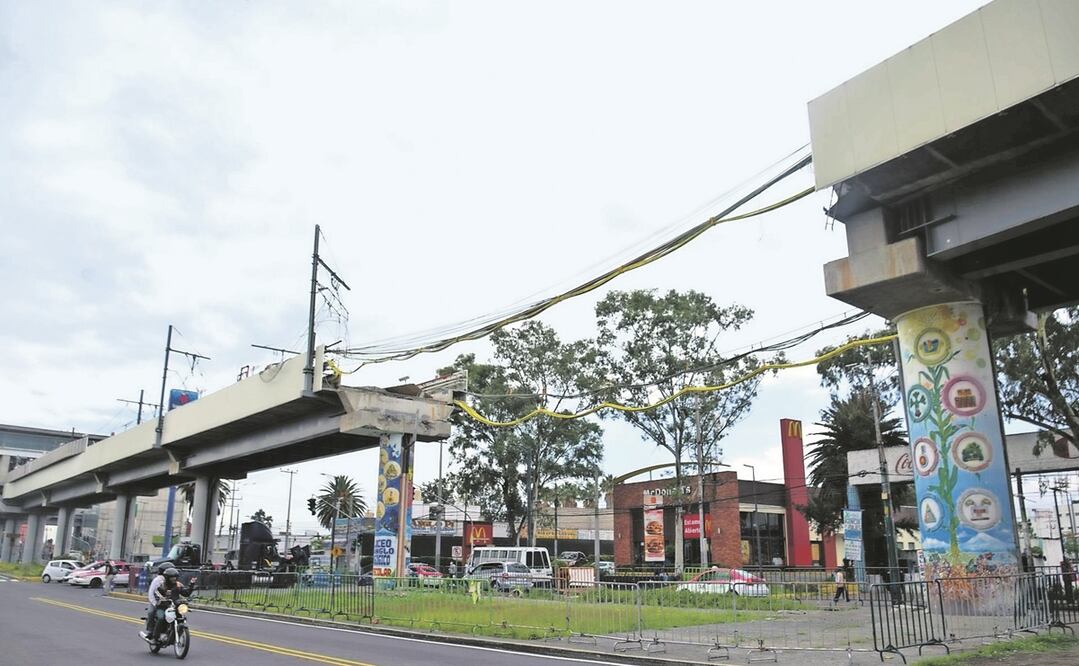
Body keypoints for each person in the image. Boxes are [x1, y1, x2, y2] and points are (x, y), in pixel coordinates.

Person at [141, 567, 171, 640]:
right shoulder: (157, 580)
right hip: (156, 601)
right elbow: (152, 592)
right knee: (151, 612)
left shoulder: (172, 581)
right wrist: (155, 603)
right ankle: (150, 631)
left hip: (168, 603)